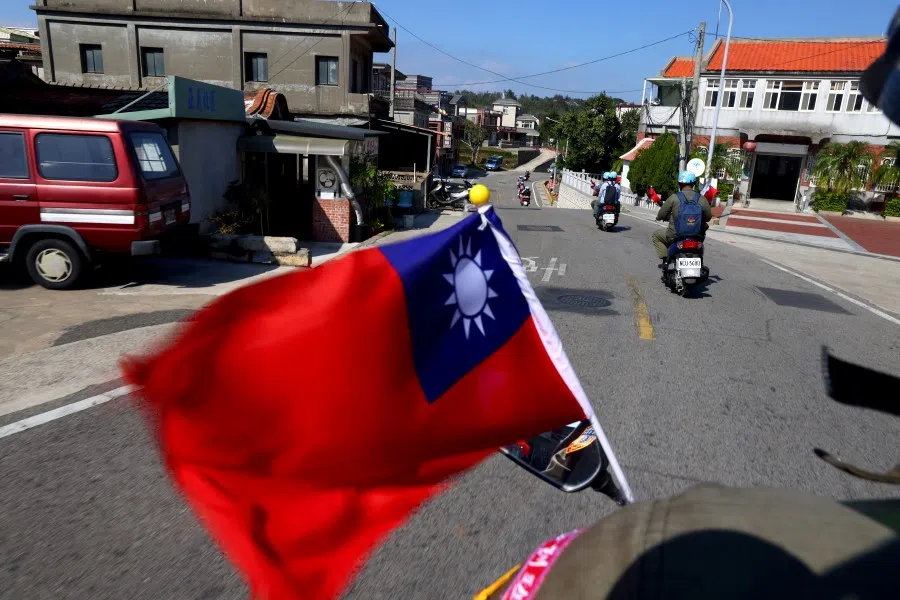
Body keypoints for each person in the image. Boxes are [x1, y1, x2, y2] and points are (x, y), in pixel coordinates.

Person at [651, 171, 712, 265]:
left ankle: (665, 260)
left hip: (675, 235)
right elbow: (708, 217)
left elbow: (662, 215)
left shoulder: (674, 197)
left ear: (679, 183)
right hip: (697, 236)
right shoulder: (701, 199)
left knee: (656, 235)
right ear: (693, 184)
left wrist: (661, 217)